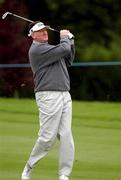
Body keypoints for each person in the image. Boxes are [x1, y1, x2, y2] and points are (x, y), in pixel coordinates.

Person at [21, 21, 75, 180]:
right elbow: (63, 49)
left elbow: (68, 59)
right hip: (48, 96)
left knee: (66, 136)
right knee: (47, 137)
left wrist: (71, 41)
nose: (44, 32)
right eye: (40, 31)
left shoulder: (52, 49)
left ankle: (64, 174)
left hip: (65, 94)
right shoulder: (37, 50)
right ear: (32, 35)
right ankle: (29, 167)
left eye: (45, 30)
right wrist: (65, 38)